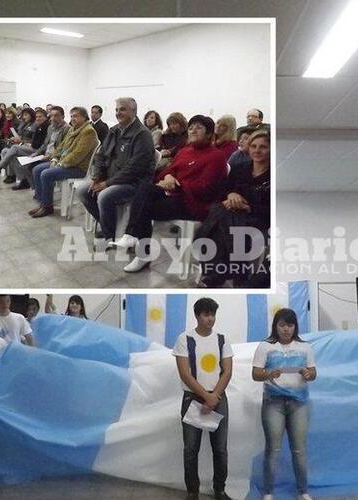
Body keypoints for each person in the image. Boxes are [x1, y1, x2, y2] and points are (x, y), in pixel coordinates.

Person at [115, 115, 229, 274]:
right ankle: (133, 237)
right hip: (175, 195)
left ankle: (141, 250)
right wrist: (168, 177)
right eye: (191, 127)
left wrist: (177, 184)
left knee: (143, 207)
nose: (193, 130)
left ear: (209, 134)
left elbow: (206, 188)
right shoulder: (185, 151)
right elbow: (168, 171)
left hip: (194, 203)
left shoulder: (216, 156)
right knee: (145, 188)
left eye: (198, 127)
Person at [172, 298, 233, 500]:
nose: (210, 319)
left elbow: (227, 371)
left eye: (213, 314)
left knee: (221, 449)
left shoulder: (222, 339)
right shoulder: (185, 338)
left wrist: (214, 396)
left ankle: (219, 489)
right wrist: (206, 397)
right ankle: (192, 491)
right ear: (197, 316)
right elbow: (185, 373)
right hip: (193, 398)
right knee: (191, 449)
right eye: (206, 315)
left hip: (218, 398)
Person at [252, 308, 316, 500]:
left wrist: (308, 374)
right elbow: (255, 374)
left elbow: (313, 374)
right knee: (273, 449)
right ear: (276, 326)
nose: (286, 329)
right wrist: (270, 373)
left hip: (299, 403)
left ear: (295, 326)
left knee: (299, 449)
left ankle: (303, 491)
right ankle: (268, 492)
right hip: (273, 403)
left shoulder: (305, 347)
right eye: (282, 325)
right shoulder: (265, 346)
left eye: (290, 325)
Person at [195, 129, 271, 287]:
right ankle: (236, 272)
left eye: (263, 147)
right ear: (248, 148)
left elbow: (271, 210)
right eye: (254, 146)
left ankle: (216, 274)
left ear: (271, 149)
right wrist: (230, 195)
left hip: (258, 218)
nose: (257, 150)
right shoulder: (240, 168)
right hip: (232, 214)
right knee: (225, 217)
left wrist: (247, 206)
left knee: (220, 225)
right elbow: (222, 191)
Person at [79, 97, 155, 242]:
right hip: (110, 177)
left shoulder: (142, 134)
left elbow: (135, 168)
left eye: (123, 109)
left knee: (104, 196)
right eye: (117, 110)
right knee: (83, 191)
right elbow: (101, 154)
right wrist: (97, 176)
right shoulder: (115, 130)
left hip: (134, 183)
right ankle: (106, 222)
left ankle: (109, 235)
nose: (118, 113)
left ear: (133, 111)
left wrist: (107, 183)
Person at [28, 107, 98, 218]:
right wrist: (54, 157)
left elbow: (77, 155)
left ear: (84, 117)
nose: (73, 119)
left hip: (78, 168)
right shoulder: (74, 129)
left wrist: (60, 163)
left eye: (76, 116)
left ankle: (47, 207)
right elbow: (62, 147)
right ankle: (42, 202)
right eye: (71, 116)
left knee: (46, 174)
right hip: (65, 163)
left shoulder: (88, 131)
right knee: (37, 169)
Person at [12, 105, 70, 191]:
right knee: (26, 164)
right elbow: (45, 144)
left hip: (55, 157)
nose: (53, 118)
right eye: (52, 115)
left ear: (63, 116)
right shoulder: (50, 128)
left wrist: (52, 157)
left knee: (35, 168)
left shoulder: (67, 129)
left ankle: (41, 193)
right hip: (45, 154)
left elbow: (64, 148)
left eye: (56, 115)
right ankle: (36, 189)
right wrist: (37, 153)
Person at [0, 107, 44, 182]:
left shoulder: (34, 125)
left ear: (31, 115)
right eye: (23, 115)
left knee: (13, 148)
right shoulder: (23, 124)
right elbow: (17, 135)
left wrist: (20, 140)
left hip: (30, 146)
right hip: (20, 144)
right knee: (5, 150)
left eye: (26, 115)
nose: (24, 117)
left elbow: (34, 141)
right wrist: (15, 139)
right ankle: (11, 175)